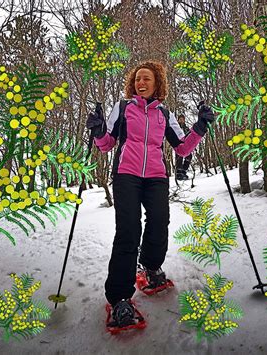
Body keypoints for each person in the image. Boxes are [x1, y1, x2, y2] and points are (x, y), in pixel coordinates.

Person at [86, 60, 215, 328]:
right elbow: (106, 145)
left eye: (146, 79)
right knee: (128, 231)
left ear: (157, 83)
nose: (141, 83)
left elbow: (181, 147)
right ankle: (120, 298)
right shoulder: (123, 108)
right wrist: (98, 130)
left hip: (156, 176)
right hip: (127, 174)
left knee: (159, 221)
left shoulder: (164, 114)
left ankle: (151, 267)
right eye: (137, 80)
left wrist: (200, 127)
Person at [175, 114, 193, 180]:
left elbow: (190, 136)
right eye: (180, 119)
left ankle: (184, 170)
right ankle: (179, 172)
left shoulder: (186, 128)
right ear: (178, 120)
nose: (181, 120)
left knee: (189, 156)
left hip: (186, 145)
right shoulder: (176, 127)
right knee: (179, 157)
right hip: (178, 144)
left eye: (183, 119)